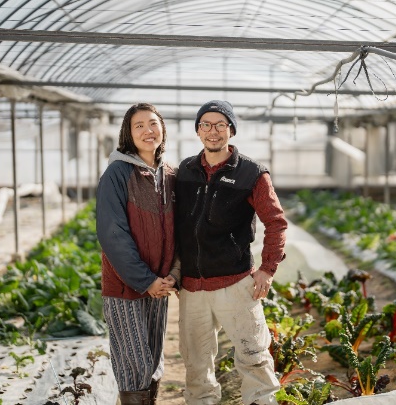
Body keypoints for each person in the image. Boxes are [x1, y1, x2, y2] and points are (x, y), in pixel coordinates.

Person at [175, 100, 287, 405]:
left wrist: (267, 268)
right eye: (206, 125)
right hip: (192, 287)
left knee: (253, 358)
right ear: (197, 131)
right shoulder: (184, 170)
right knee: (196, 365)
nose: (213, 132)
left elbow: (276, 222)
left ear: (231, 130)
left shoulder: (252, 173)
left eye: (220, 125)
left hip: (235, 284)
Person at [96, 103, 179, 405]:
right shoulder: (117, 174)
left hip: (160, 284)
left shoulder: (169, 173)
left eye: (153, 123)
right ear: (128, 134)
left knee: (154, 360)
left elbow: (178, 229)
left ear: (162, 128)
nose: (148, 130)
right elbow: (112, 235)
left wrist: (172, 275)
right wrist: (146, 280)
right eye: (139, 125)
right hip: (126, 285)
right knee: (135, 365)